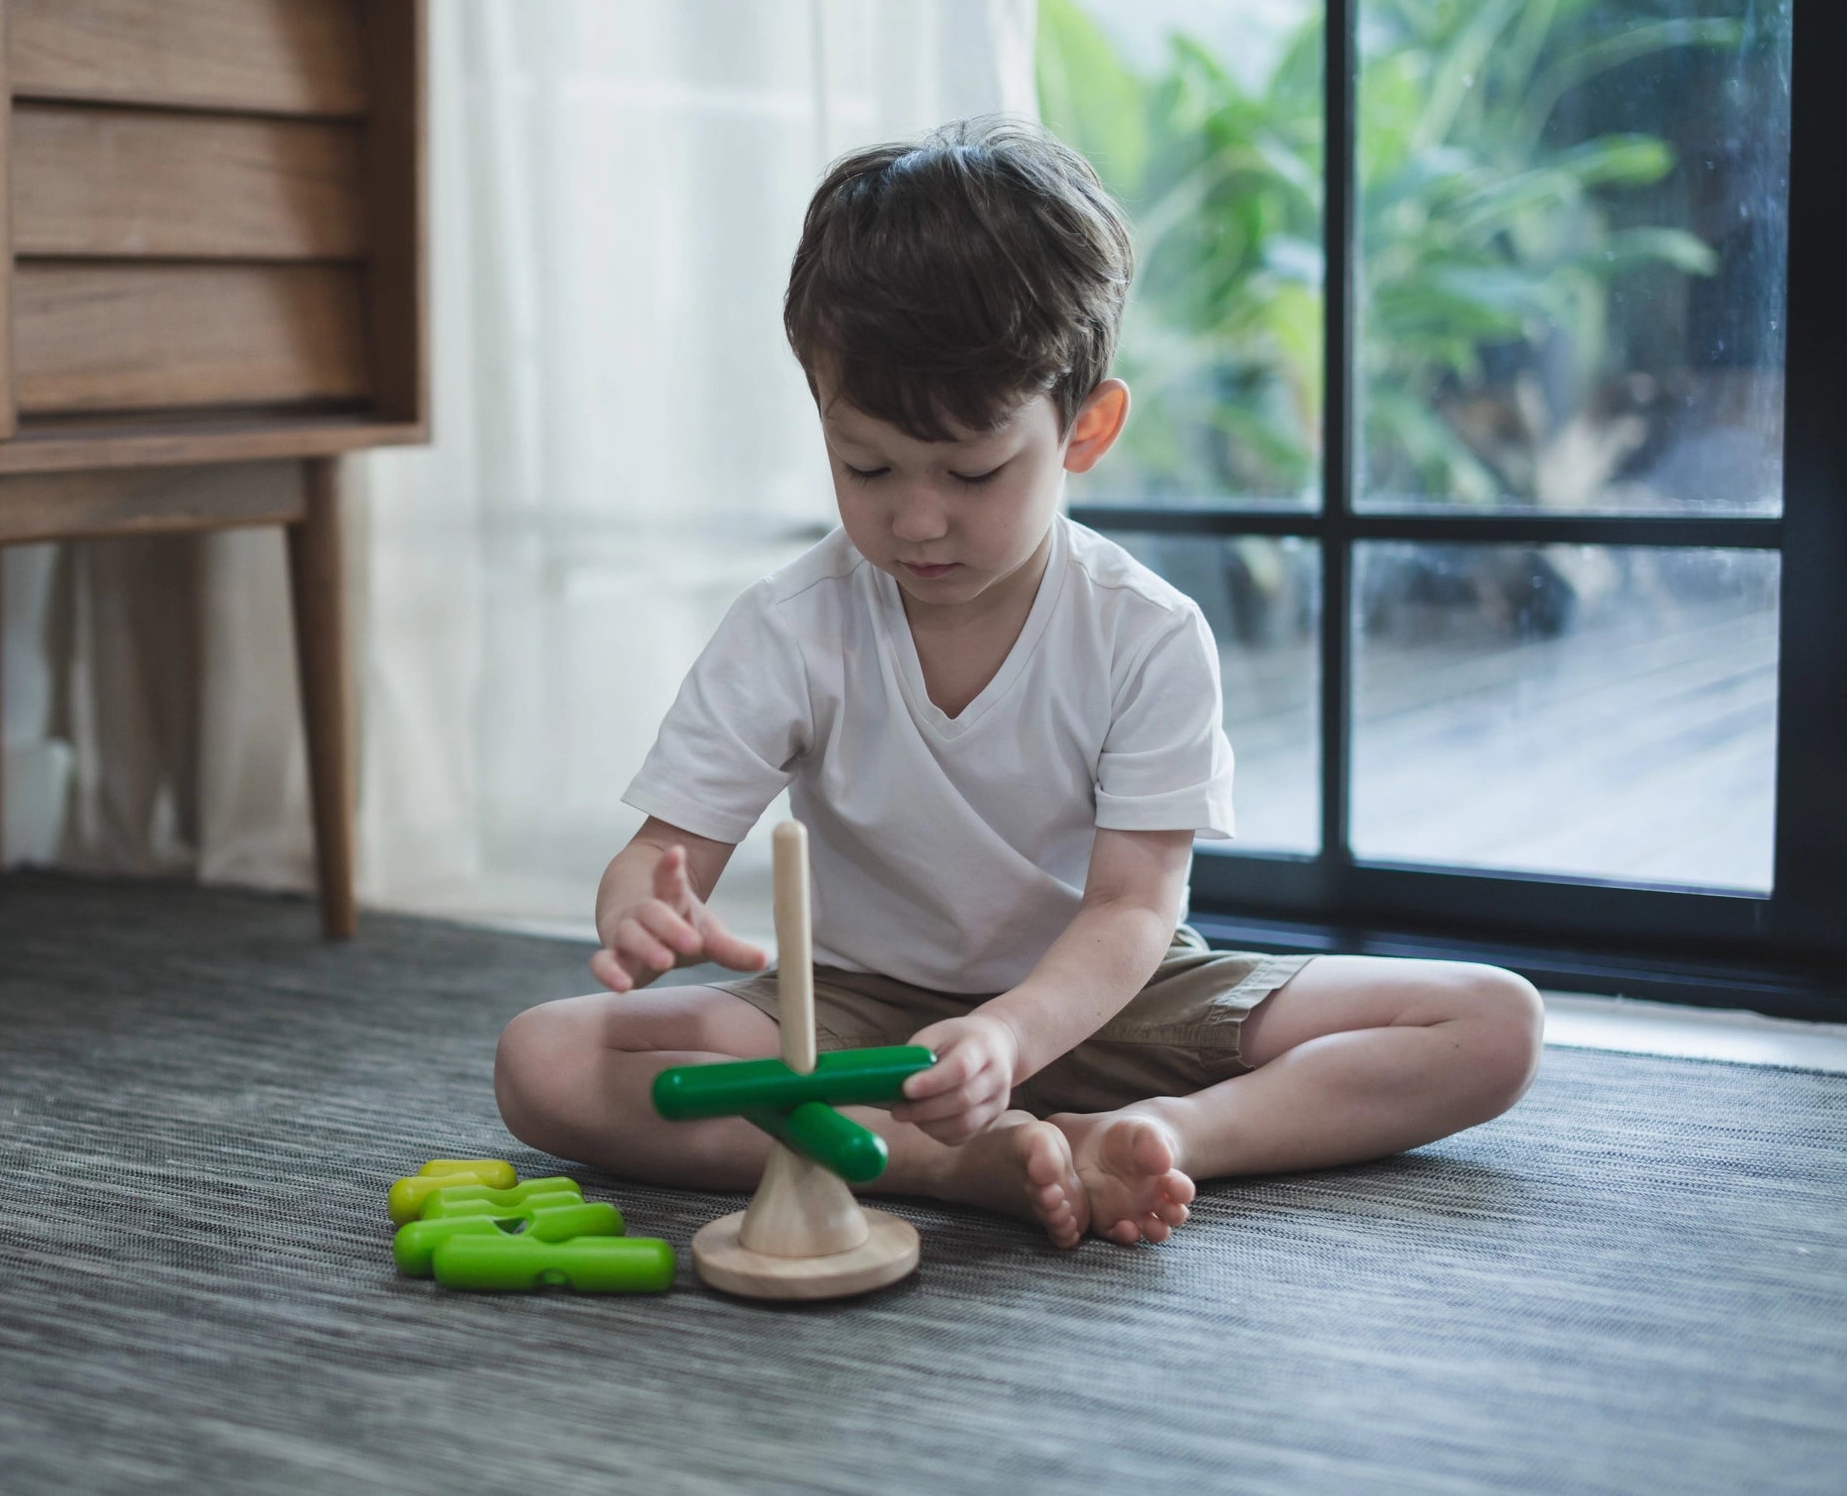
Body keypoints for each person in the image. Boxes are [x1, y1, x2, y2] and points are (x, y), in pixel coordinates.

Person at [492, 116, 1544, 1248]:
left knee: (1490, 1021)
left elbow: (1134, 907)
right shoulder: (788, 628)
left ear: (1083, 428)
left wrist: (1012, 1032)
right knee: (545, 1059)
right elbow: (666, 851)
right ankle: (942, 1161)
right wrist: (643, 902)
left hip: (1110, 998)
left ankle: (1164, 1135)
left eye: (972, 468)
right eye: (867, 464)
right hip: (862, 1014)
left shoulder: (1145, 633)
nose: (917, 516)